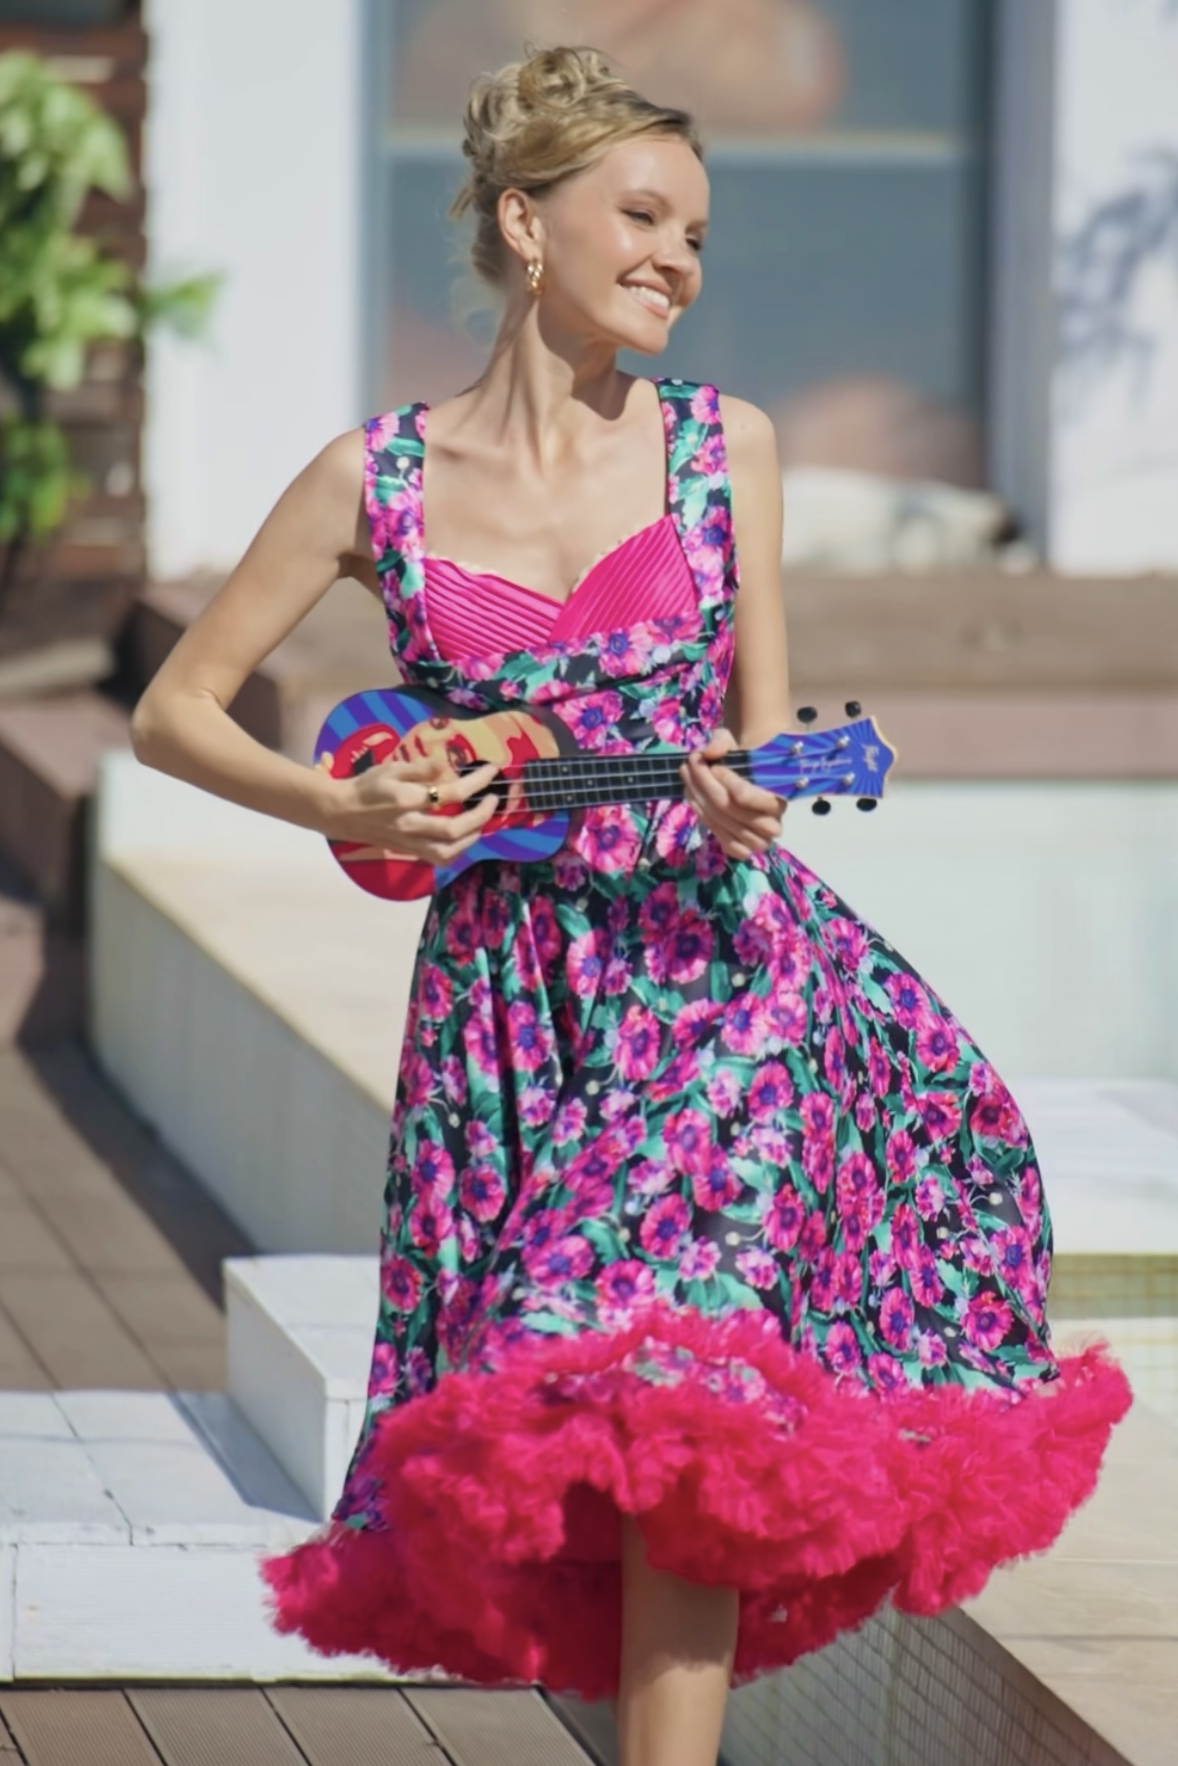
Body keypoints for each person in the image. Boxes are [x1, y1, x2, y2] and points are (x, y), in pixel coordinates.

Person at [131, 45, 1131, 1766]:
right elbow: (173, 710)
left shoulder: (721, 445)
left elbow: (758, 743)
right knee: (585, 1408)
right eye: (643, 216)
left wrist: (749, 788)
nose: (677, 256)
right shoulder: (371, 478)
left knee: (685, 1388)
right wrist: (337, 798)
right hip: (509, 992)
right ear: (527, 225)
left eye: (698, 234)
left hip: (717, 971)